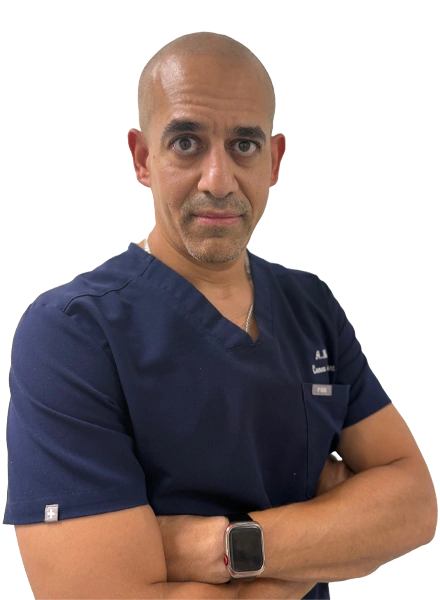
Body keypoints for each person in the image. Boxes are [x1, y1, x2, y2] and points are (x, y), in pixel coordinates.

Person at [3, 31, 437, 600]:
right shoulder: (70, 334)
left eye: (244, 145)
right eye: (186, 142)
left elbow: (414, 505)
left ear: (274, 161)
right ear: (142, 158)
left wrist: (223, 547)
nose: (218, 180)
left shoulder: (310, 307)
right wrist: (333, 531)